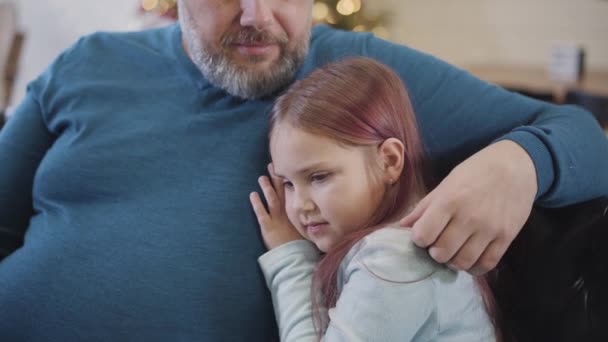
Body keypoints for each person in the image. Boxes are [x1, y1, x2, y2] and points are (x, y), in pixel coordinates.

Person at [0, 0, 606, 339]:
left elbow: (584, 138)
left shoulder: (361, 80)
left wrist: (520, 162)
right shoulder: (88, 63)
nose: (256, 14)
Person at [250, 57, 497, 341]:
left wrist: (290, 257)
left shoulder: (398, 259)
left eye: (319, 177)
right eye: (288, 183)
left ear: (389, 161)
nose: (298, 206)